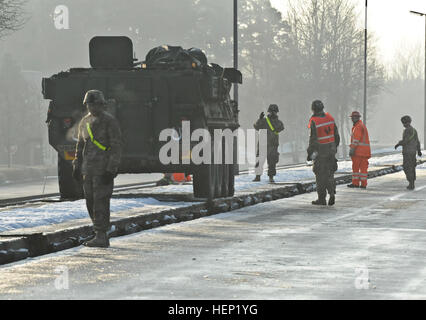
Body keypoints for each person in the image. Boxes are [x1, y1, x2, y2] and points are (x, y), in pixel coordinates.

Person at [72, 90, 122, 248]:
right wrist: (76, 164)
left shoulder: (109, 122)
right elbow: (80, 145)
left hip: (103, 169)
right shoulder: (85, 122)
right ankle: (98, 232)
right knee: (90, 202)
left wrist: (111, 169)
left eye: (95, 104)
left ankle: (101, 234)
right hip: (88, 169)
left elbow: (116, 146)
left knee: (101, 202)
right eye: (89, 104)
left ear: (102, 104)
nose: (92, 107)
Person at [307, 100, 340, 206]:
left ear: (313, 109)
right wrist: (334, 147)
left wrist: (310, 154)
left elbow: (313, 140)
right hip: (331, 151)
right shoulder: (330, 118)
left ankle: (322, 199)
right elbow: (336, 135)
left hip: (320, 152)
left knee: (320, 176)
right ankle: (331, 193)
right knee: (330, 173)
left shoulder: (314, 121)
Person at [253, 104, 284, 183]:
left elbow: (281, 128)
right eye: (271, 111)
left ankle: (271, 177)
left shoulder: (279, 122)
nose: (273, 113)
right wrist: (259, 119)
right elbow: (256, 127)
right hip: (263, 144)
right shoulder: (264, 121)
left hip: (272, 145)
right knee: (260, 161)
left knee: (272, 162)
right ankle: (258, 176)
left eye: (274, 112)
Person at [395, 115, 422, 190]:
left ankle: (411, 183)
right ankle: (411, 183)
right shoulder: (414, 130)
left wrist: (398, 144)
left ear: (407, 122)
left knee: (407, 167)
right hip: (412, 152)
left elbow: (406, 141)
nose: (403, 124)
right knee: (411, 167)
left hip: (408, 152)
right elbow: (418, 142)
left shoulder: (408, 130)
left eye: (404, 123)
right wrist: (418, 151)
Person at [347, 111, 371, 189]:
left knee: (356, 168)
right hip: (364, 152)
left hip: (358, 152)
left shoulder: (358, 127)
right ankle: (363, 184)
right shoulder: (361, 126)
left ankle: (355, 183)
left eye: (354, 117)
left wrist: (352, 149)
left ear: (357, 118)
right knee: (363, 169)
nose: (352, 119)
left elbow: (356, 139)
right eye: (352, 117)